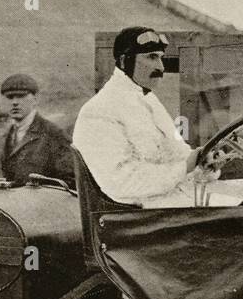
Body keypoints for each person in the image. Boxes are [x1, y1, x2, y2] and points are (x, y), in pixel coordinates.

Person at [72, 27, 215, 205]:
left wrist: (202, 164)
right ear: (125, 61)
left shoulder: (149, 101)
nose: (161, 67)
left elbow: (179, 154)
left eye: (161, 58)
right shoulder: (99, 111)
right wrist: (185, 167)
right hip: (142, 216)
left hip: (176, 200)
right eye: (151, 57)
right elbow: (122, 184)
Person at [0, 73, 77, 188]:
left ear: (35, 99)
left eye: (21, 96)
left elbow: (69, 182)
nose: (15, 102)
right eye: (10, 97)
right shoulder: (4, 137)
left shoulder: (54, 134)